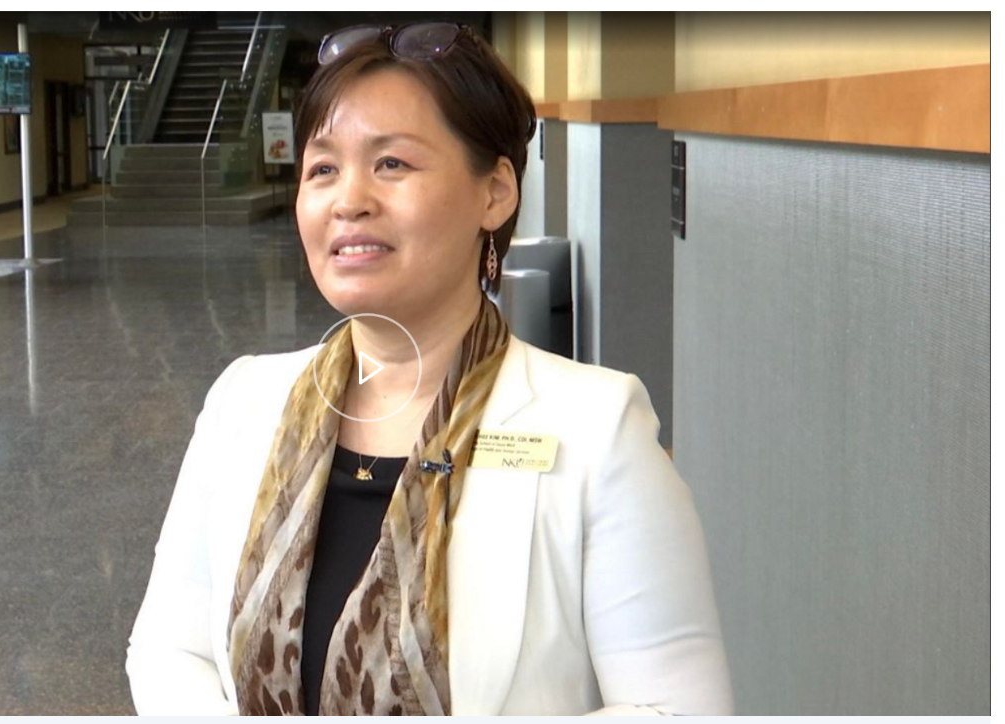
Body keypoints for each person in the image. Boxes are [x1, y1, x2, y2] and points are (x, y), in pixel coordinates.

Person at [127, 21, 734, 716]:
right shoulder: (244, 400)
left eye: (392, 164)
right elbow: (168, 649)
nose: (348, 199)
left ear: (495, 192)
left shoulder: (598, 430)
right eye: (322, 169)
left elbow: (678, 708)